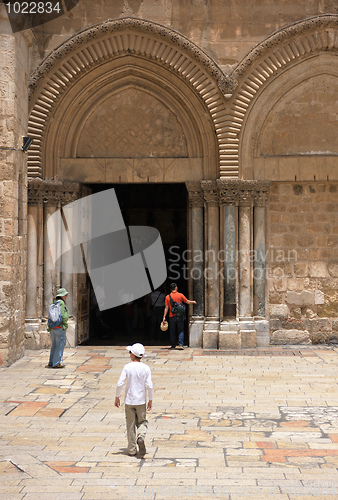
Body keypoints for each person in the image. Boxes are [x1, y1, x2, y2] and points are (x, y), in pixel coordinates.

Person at [115, 343, 153, 457]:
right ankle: (141, 437)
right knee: (142, 422)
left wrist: (117, 397)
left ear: (132, 355)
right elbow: (150, 385)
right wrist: (150, 399)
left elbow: (120, 383)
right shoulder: (146, 368)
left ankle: (132, 449)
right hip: (141, 400)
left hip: (129, 400)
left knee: (130, 425)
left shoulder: (127, 367)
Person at [162, 282, 196, 350]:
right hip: (180, 315)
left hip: (172, 316)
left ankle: (173, 345)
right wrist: (193, 302)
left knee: (172, 331)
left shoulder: (168, 297)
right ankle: (180, 344)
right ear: (176, 288)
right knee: (180, 330)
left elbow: (166, 308)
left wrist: (164, 316)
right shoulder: (180, 295)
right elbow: (187, 301)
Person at [47, 287, 69, 368]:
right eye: (65, 294)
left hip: (53, 327)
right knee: (60, 345)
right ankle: (56, 363)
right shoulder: (62, 303)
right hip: (60, 327)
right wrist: (65, 325)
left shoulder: (54, 303)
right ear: (62, 296)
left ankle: (51, 361)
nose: (66, 296)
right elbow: (63, 315)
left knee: (54, 345)